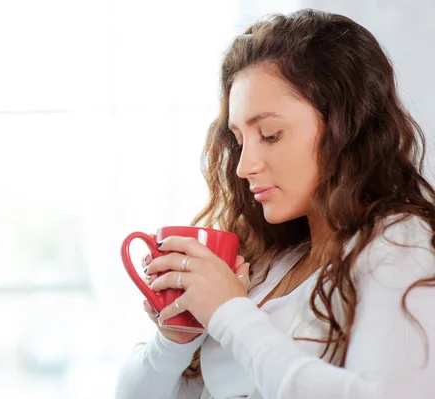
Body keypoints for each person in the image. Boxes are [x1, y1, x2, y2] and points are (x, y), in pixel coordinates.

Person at [114, 8, 435, 399]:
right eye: (238, 140)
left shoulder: (397, 242)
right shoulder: (270, 261)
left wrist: (229, 313)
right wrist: (175, 339)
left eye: (270, 134)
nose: (245, 166)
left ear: (345, 127)